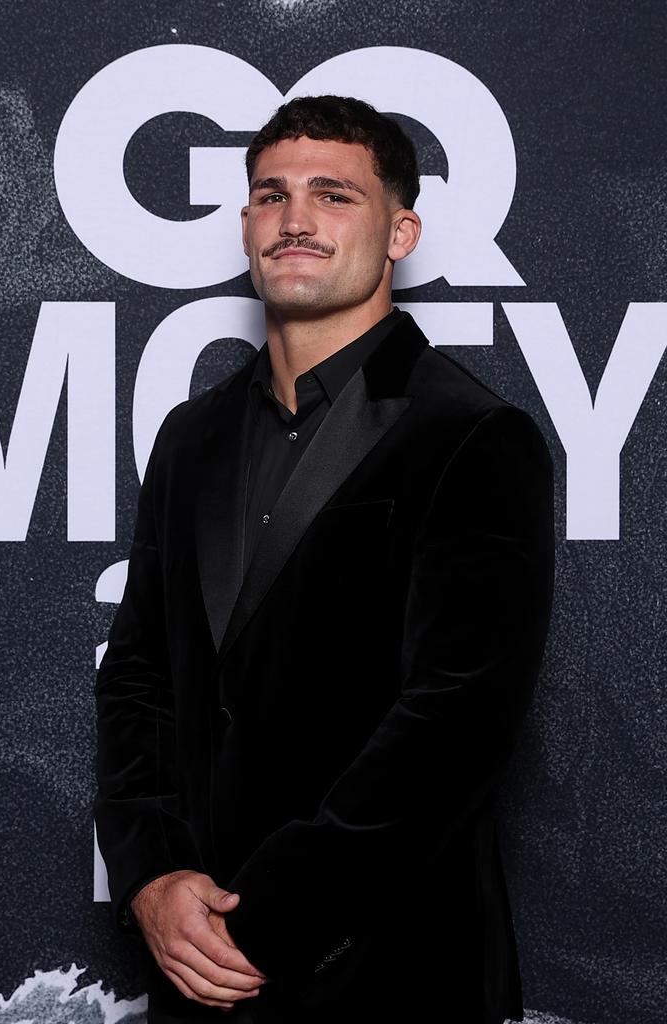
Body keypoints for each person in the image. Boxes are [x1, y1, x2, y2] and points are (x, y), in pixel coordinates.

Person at [94, 95, 555, 1024]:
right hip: (198, 975)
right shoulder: (191, 436)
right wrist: (151, 877)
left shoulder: (473, 435)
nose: (295, 219)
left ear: (401, 230)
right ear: (246, 224)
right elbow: (138, 675)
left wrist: (264, 917)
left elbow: (455, 722)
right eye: (272, 194)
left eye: (334, 194)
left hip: (393, 972)